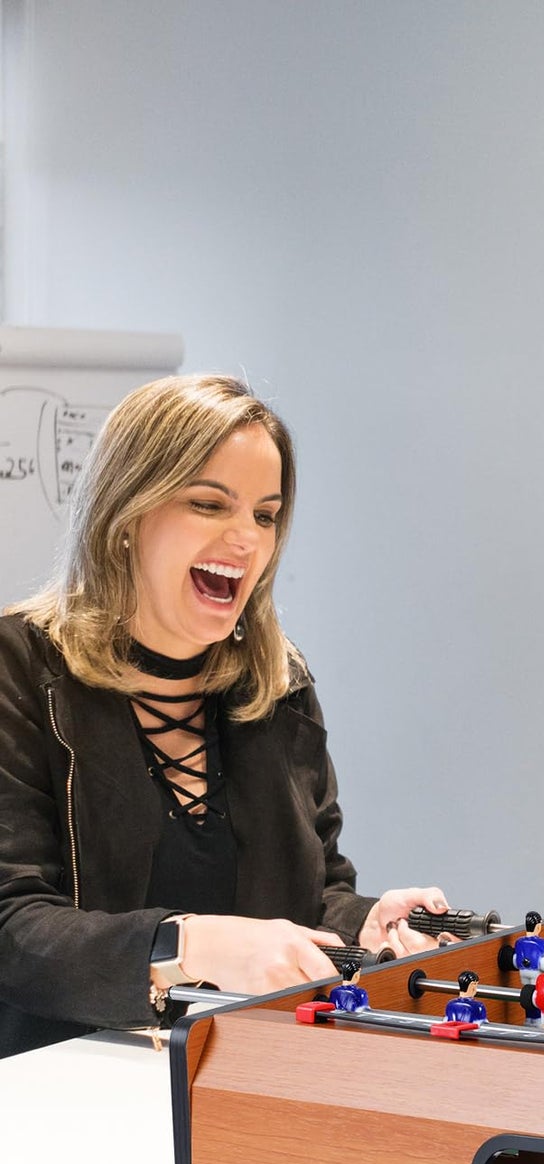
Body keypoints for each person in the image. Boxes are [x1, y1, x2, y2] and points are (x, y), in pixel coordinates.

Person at [0, 374, 449, 1058]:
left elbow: (316, 891)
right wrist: (188, 944)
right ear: (127, 514)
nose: (246, 538)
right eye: (210, 504)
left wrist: (369, 926)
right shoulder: (18, 667)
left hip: (240, 1082)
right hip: (57, 1088)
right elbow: (14, 930)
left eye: (265, 515)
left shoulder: (277, 680)